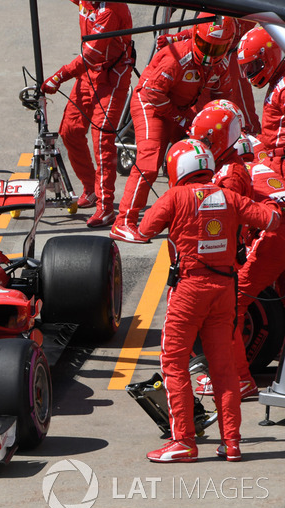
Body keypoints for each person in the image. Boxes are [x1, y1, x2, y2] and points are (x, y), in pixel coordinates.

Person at [138, 139, 280, 462]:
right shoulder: (229, 197)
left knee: (173, 362)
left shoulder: (175, 196)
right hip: (225, 292)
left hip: (189, 290)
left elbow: (145, 229)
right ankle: (231, 443)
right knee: (224, 368)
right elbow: (270, 219)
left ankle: (184, 441)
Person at [111, 14, 236, 243]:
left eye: (217, 50)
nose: (209, 55)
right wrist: (181, 119)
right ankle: (123, 222)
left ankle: (187, 211)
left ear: (227, 47)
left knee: (200, 155)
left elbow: (222, 103)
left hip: (180, 108)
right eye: (205, 46)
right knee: (149, 162)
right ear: (196, 38)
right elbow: (152, 93)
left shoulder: (222, 66)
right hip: (151, 105)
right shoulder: (177, 57)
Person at [196, 162, 285, 399]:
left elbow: (229, 217)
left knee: (231, 303)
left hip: (277, 233)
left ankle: (239, 378)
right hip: (278, 227)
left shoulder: (230, 178)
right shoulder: (253, 165)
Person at [41, 1, 133, 228]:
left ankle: (106, 206)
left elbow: (91, 56)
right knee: (70, 130)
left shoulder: (109, 11)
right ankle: (90, 188)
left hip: (112, 76)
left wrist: (59, 76)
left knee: (102, 138)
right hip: (89, 72)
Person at [237, 26, 285, 175]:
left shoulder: (283, 88)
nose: (250, 73)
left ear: (269, 57)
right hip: (271, 153)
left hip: (280, 161)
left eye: (254, 65)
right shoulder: (277, 79)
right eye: (247, 68)